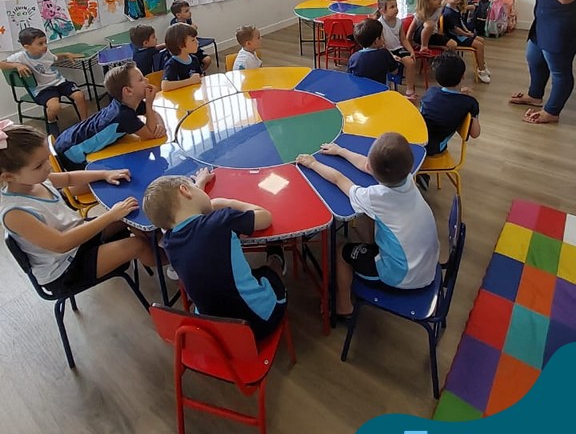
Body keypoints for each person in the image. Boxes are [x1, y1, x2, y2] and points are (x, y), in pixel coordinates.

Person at [0, 122, 157, 294]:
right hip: (63, 269)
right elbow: (61, 244)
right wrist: (110, 215)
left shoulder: (36, 180)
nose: (48, 166)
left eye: (47, 159)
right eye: (39, 165)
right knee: (137, 245)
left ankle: (160, 245)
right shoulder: (14, 213)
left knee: (131, 215)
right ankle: (172, 263)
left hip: (76, 238)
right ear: (8, 177)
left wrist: (105, 174)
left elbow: (68, 178)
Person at [297, 133, 439, 317]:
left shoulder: (376, 197)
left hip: (401, 277)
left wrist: (312, 164)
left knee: (341, 252)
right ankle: (372, 251)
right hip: (426, 266)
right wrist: (340, 151)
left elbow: (339, 179)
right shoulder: (409, 179)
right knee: (366, 218)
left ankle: (343, 306)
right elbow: (366, 164)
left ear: (371, 166)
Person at [142, 172, 287, 340]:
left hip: (213, 332)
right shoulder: (223, 219)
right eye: (194, 187)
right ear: (185, 190)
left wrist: (199, 185)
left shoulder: (168, 242)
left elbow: (182, 215)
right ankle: (276, 260)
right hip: (258, 323)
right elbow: (265, 217)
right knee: (269, 271)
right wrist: (227, 203)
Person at [54, 62, 166, 168]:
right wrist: (149, 104)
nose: (147, 80)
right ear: (128, 91)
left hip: (67, 139)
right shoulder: (124, 115)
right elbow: (151, 134)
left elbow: (154, 116)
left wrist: (160, 125)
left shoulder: (128, 102)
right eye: (141, 79)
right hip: (71, 153)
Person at [0, 28, 88, 133]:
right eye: (40, 43)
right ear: (27, 47)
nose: (45, 46)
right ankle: (51, 121)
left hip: (59, 82)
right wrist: (17, 65)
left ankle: (85, 122)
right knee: (55, 107)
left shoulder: (46, 53)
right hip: (42, 89)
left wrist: (66, 54)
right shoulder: (20, 56)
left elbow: (54, 58)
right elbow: (1, 64)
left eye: (45, 42)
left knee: (79, 95)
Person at [417, 51, 481, 191]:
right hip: (434, 148)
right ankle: (418, 173)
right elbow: (475, 133)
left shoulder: (431, 92)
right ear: (462, 76)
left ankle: (416, 173)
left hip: (416, 139)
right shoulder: (469, 103)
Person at [442, 0, 491, 83]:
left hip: (461, 35)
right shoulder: (448, 12)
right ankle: (481, 70)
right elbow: (455, 29)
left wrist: (467, 31)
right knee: (479, 45)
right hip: (455, 38)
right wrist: (466, 34)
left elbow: (461, 23)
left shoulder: (456, 9)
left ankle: (481, 64)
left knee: (481, 40)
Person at [374, 0, 418, 98]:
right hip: (385, 51)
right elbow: (382, 44)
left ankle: (410, 89)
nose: (396, 9)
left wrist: (411, 50)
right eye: (392, 7)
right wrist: (391, 56)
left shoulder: (399, 21)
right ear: (382, 11)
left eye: (396, 6)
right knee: (390, 67)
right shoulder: (379, 24)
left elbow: (403, 39)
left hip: (397, 48)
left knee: (410, 62)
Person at [347, 18, 408, 92]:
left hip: (360, 93)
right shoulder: (384, 53)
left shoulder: (353, 58)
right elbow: (394, 71)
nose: (384, 39)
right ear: (376, 41)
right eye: (382, 36)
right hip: (381, 92)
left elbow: (350, 77)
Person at [161, 23, 204, 91]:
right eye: (193, 40)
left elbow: (201, 77)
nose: (197, 42)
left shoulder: (194, 59)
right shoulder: (172, 64)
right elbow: (165, 86)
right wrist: (190, 81)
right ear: (181, 45)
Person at [169, 1, 211, 71]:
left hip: (193, 45)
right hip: (185, 49)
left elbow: (193, 34)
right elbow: (181, 37)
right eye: (186, 11)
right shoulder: (175, 25)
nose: (190, 12)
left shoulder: (188, 20)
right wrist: (191, 29)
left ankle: (201, 72)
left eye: (189, 10)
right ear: (178, 15)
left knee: (207, 60)